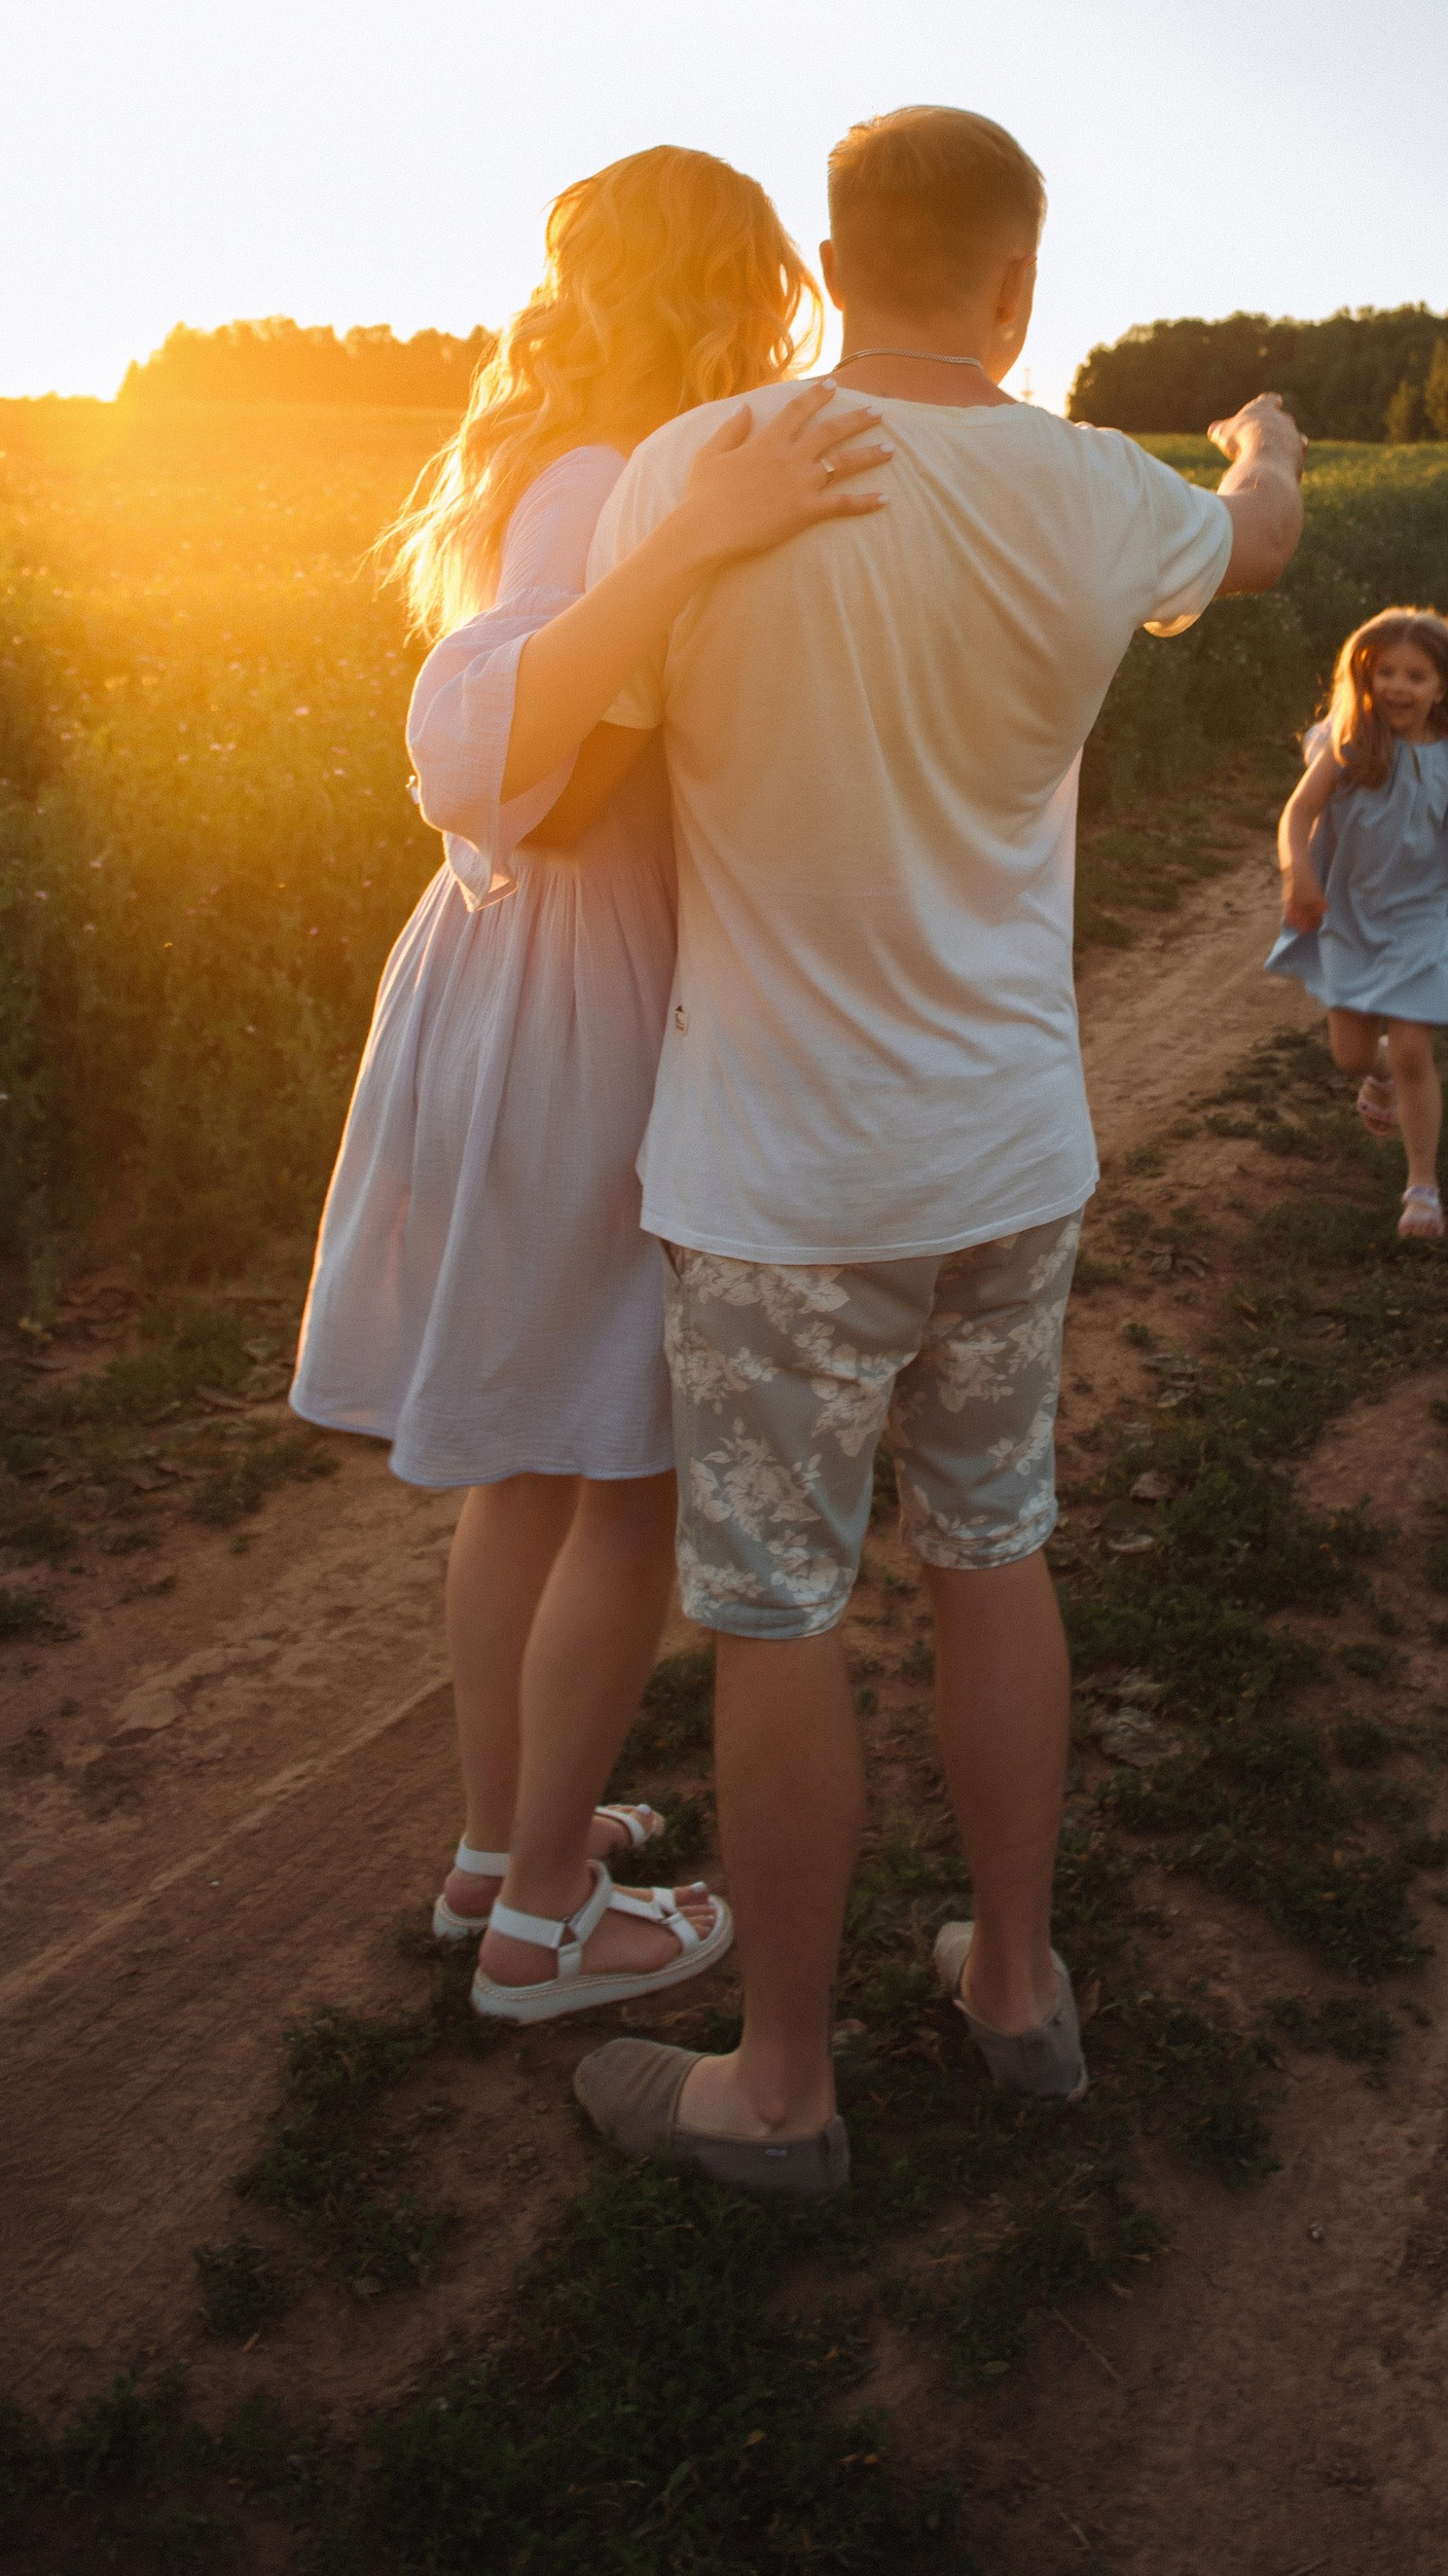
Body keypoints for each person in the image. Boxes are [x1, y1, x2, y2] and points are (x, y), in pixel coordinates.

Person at [562, 104, 1304, 2194]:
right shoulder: (1087, 492)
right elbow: (1251, 545)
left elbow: (591, 736)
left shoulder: (700, 472)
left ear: (826, 249)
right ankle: (1013, 1985)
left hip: (775, 1179)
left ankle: (780, 2090)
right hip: (1002, 1157)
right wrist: (1264, 439)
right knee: (993, 1551)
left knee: (778, 1610)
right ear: (1020, 280)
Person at [293, 145, 889, 2026]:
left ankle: (500, 1852)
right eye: (763, 288)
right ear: (723, 284)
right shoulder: (617, 482)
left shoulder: (562, 460)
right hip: (582, 992)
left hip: (508, 973)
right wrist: (712, 535)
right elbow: (508, 748)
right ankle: (555, 1922)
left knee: (538, 1474)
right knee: (624, 1465)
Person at [1265, 607, 1448, 1241]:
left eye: (1416, 675)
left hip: (1422, 917)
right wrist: (1300, 875)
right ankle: (1376, 1073)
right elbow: (1296, 816)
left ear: (1443, 686)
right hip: (1350, 917)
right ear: (1365, 680)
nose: (1398, 686)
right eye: (1386, 673)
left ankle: (1422, 1186)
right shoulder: (1350, 743)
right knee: (1351, 1057)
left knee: (1412, 1049)